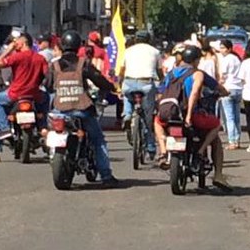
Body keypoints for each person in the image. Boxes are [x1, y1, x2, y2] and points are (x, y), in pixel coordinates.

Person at [48, 30, 121, 187]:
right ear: (78, 46)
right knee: (98, 140)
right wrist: (111, 87)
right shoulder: (83, 63)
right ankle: (106, 176)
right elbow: (99, 80)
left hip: (60, 110)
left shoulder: (54, 65)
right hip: (82, 109)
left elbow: (47, 85)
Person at [155, 45, 231, 190]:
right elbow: (196, 93)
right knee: (215, 127)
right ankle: (207, 159)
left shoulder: (171, 74)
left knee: (157, 122)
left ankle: (163, 151)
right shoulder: (198, 74)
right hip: (192, 115)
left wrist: (161, 111)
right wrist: (189, 115)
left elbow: (160, 94)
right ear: (196, 60)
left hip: (171, 116)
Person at [0, 33, 48, 144]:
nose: (15, 44)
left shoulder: (17, 57)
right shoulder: (40, 58)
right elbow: (47, 75)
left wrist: (8, 50)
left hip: (15, 94)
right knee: (46, 99)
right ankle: (43, 126)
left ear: (23, 43)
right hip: (34, 94)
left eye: (16, 42)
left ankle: (5, 128)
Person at [118, 30, 164, 161]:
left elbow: (121, 70)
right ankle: (151, 147)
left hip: (129, 82)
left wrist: (119, 83)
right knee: (149, 119)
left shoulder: (128, 51)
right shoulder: (155, 51)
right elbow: (159, 71)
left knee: (127, 95)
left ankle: (127, 114)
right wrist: (163, 83)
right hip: (146, 84)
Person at [218, 39, 243, 150]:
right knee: (237, 117)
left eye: (223, 47)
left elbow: (223, 75)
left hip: (228, 88)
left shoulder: (226, 59)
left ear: (229, 48)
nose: (221, 50)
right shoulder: (237, 59)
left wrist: (219, 85)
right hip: (238, 88)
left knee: (229, 118)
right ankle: (237, 140)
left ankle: (232, 141)